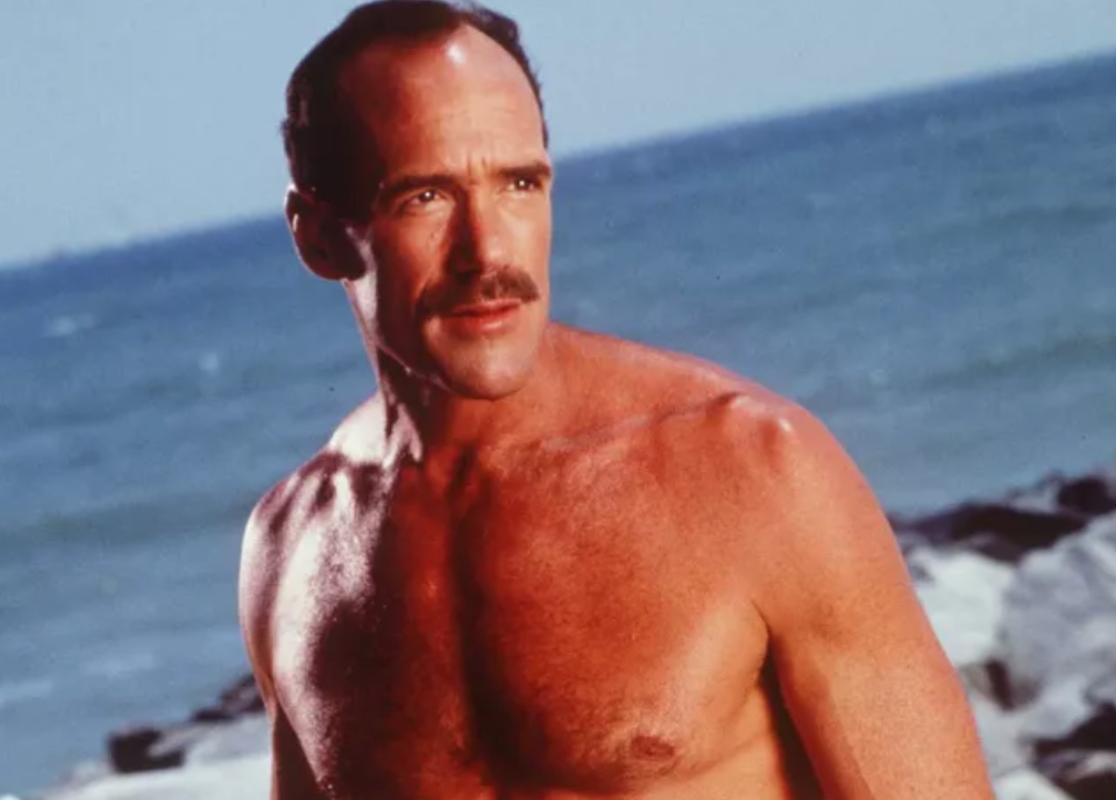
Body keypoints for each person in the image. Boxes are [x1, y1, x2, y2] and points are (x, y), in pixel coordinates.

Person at [238, 1, 996, 797]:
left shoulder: (752, 470)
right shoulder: (291, 553)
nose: (487, 252)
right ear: (317, 236)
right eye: (423, 196)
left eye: (519, 183)